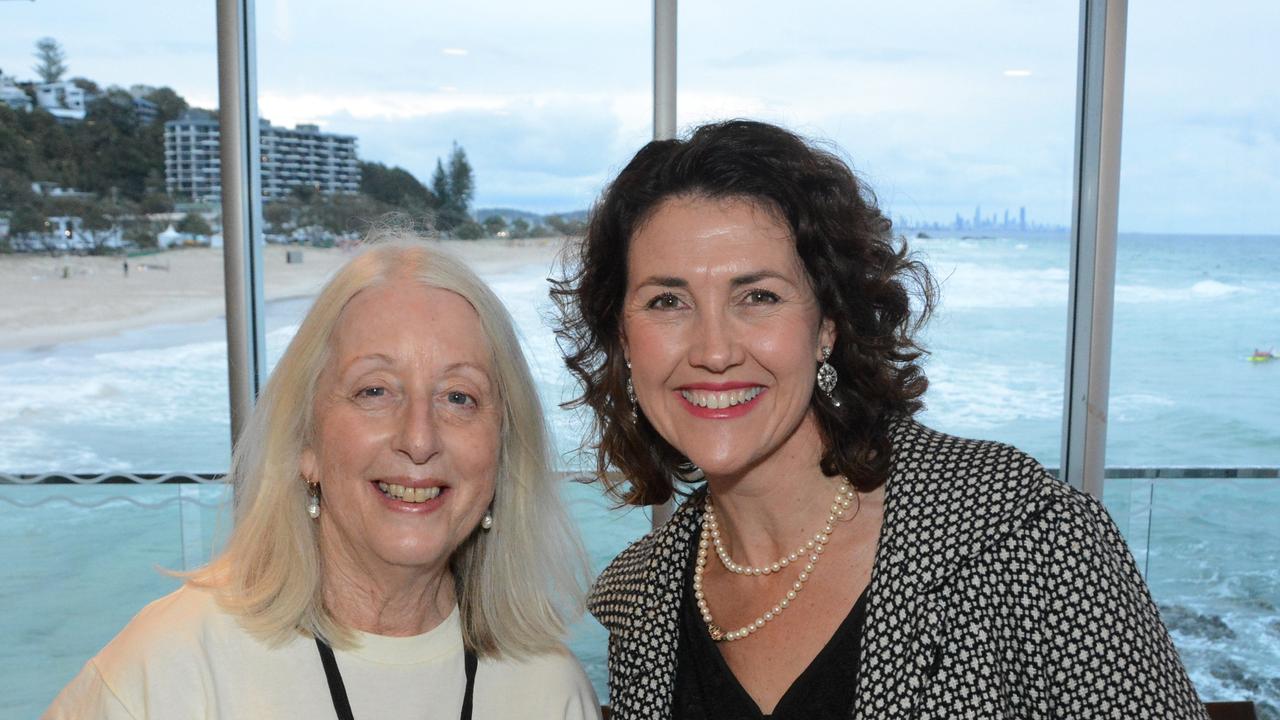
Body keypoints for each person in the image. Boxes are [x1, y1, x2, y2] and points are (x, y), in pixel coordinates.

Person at [552, 120, 1207, 718]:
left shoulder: (1022, 532)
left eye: (759, 296)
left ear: (828, 325)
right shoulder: (640, 604)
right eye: (668, 300)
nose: (715, 350)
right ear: (625, 339)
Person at [47, 235, 600, 719]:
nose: (419, 437)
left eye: (459, 397)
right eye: (374, 390)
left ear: (502, 451)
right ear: (305, 443)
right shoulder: (171, 666)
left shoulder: (549, 690)